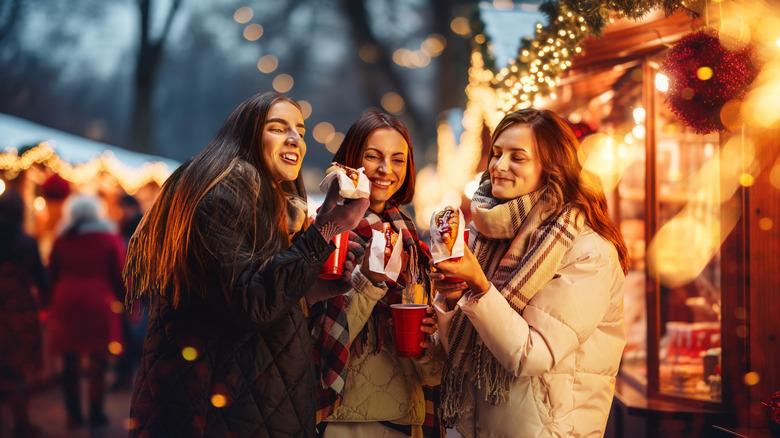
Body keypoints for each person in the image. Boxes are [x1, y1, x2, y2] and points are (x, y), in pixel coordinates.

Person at [123, 91, 369, 437]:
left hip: (246, 403)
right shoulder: (223, 195)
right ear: (247, 136)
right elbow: (253, 304)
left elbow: (254, 294)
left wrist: (311, 290)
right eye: (278, 128)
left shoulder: (270, 205)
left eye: (299, 129)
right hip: (219, 411)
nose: (295, 138)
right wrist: (327, 228)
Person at [430, 108, 630, 438]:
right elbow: (467, 349)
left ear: (550, 168)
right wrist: (452, 299)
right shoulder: (489, 235)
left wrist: (478, 285)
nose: (499, 165)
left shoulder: (587, 251)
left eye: (517, 157)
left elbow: (529, 355)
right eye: (496, 153)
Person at [313, 111, 445, 438]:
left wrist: (430, 338)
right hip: (352, 422)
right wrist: (369, 282)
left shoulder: (413, 242)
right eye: (373, 156)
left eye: (397, 160)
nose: (386, 170)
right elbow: (316, 340)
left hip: (410, 416)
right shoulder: (327, 232)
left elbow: (430, 372)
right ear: (351, 162)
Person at [48, 193, 126, 429]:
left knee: (70, 360)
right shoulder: (109, 238)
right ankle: (96, 411)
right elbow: (119, 274)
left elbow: (52, 271)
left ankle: (73, 413)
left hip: (66, 300)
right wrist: (125, 304)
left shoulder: (62, 238)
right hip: (98, 302)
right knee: (98, 361)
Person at [0, 189, 50, 438]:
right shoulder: (26, 243)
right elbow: (41, 281)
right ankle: (20, 423)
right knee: (18, 369)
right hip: (18, 313)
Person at [110, 194, 147, 392]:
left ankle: (133, 377)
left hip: (138, 289)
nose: (121, 212)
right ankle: (125, 376)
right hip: (129, 288)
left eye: (124, 208)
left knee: (135, 335)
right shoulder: (125, 228)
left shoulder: (140, 227)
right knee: (127, 335)